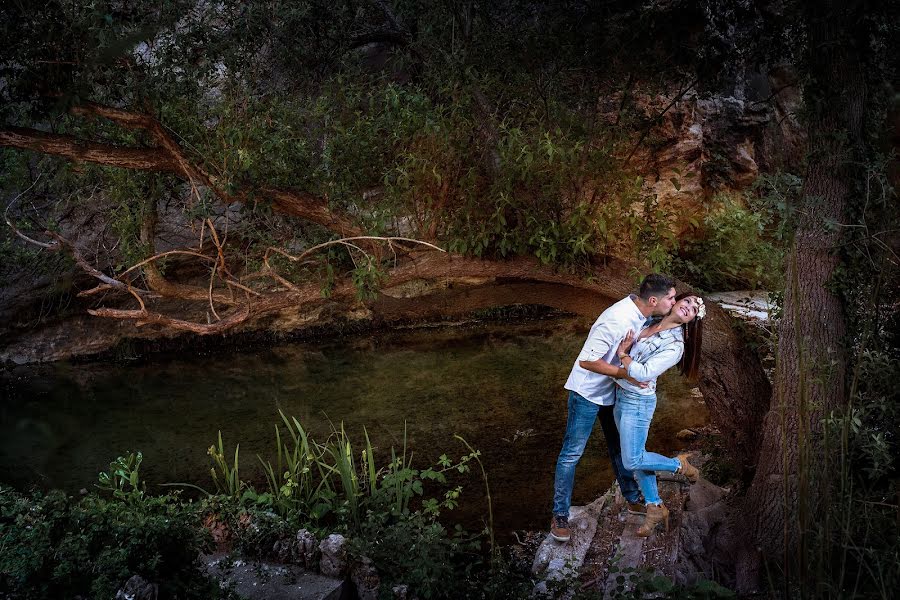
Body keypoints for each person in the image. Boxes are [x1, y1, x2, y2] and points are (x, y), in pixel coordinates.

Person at [550, 274, 677, 543]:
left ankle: (632, 499)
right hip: (586, 393)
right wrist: (625, 373)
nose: (674, 302)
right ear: (654, 300)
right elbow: (586, 361)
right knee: (572, 454)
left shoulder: (644, 315)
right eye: (672, 298)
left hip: (613, 392)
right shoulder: (616, 319)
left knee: (620, 448)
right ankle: (560, 515)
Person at [613, 292, 705, 537]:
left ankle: (679, 465)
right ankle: (654, 507)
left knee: (631, 460)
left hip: (638, 402)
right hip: (620, 395)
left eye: (694, 308)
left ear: (692, 321)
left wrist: (623, 355)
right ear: (676, 301)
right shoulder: (649, 322)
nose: (689, 306)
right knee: (639, 456)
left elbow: (643, 373)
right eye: (687, 301)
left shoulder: (675, 346)